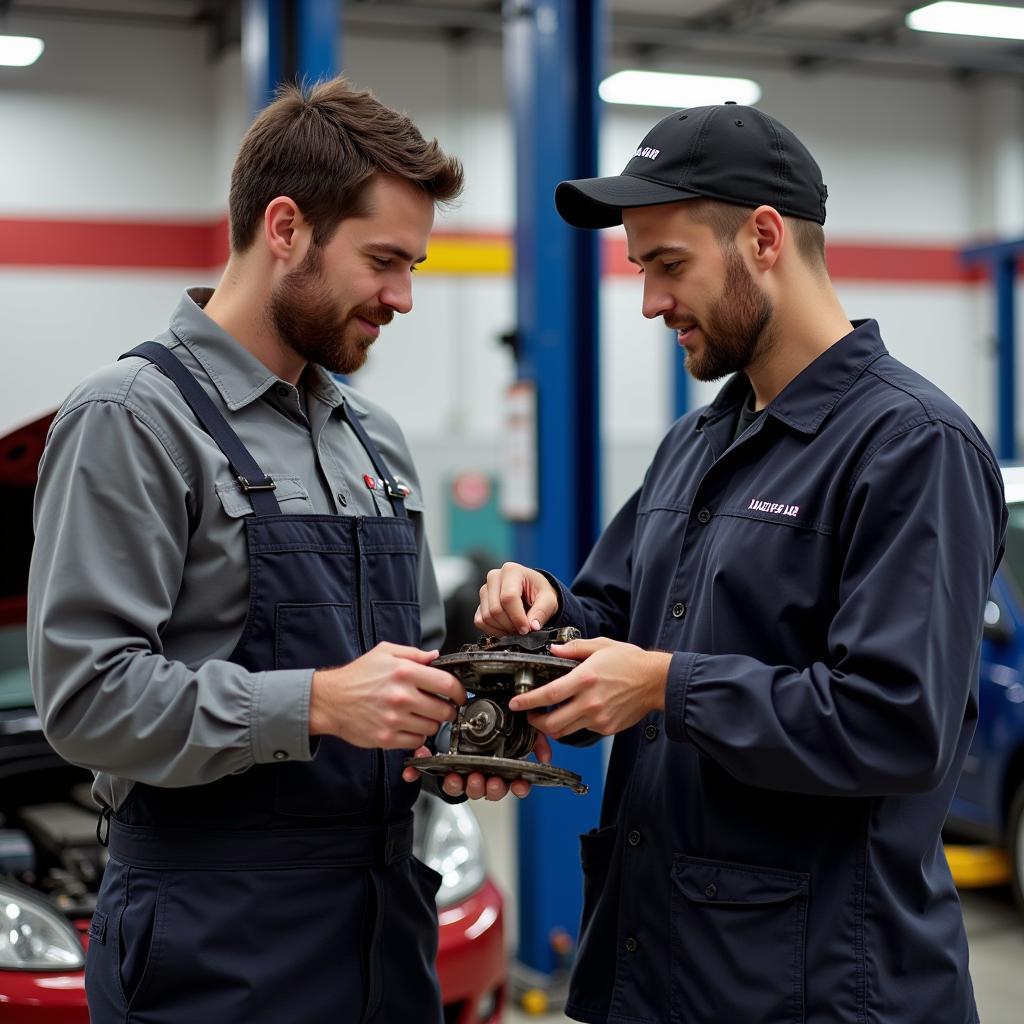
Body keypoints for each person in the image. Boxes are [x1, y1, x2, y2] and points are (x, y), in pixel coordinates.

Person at [476, 103, 1007, 1024]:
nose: (649, 302)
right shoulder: (695, 442)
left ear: (764, 237)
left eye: (669, 264)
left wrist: (664, 688)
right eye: (642, 270)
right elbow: (612, 616)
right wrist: (541, 622)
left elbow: (896, 723)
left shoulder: (911, 447)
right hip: (660, 970)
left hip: (822, 991)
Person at [27, 77, 536, 1024]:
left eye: (414, 264)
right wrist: (316, 703)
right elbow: (86, 698)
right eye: (384, 260)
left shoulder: (373, 440)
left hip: (384, 933)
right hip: (213, 946)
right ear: (287, 227)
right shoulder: (134, 419)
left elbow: (411, 671)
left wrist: (462, 729)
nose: (405, 297)